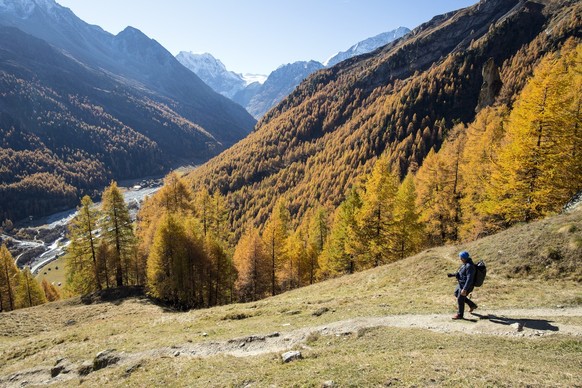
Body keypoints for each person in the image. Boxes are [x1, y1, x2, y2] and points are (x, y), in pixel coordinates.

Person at [448, 250, 478, 319]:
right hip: (461, 284)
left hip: (466, 286)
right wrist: (452, 275)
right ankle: (472, 305)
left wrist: (464, 289)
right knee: (456, 293)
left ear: (463, 258)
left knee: (460, 299)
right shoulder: (465, 264)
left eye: (460, 257)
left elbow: (469, 279)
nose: (460, 259)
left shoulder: (469, 266)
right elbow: (461, 273)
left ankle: (460, 315)